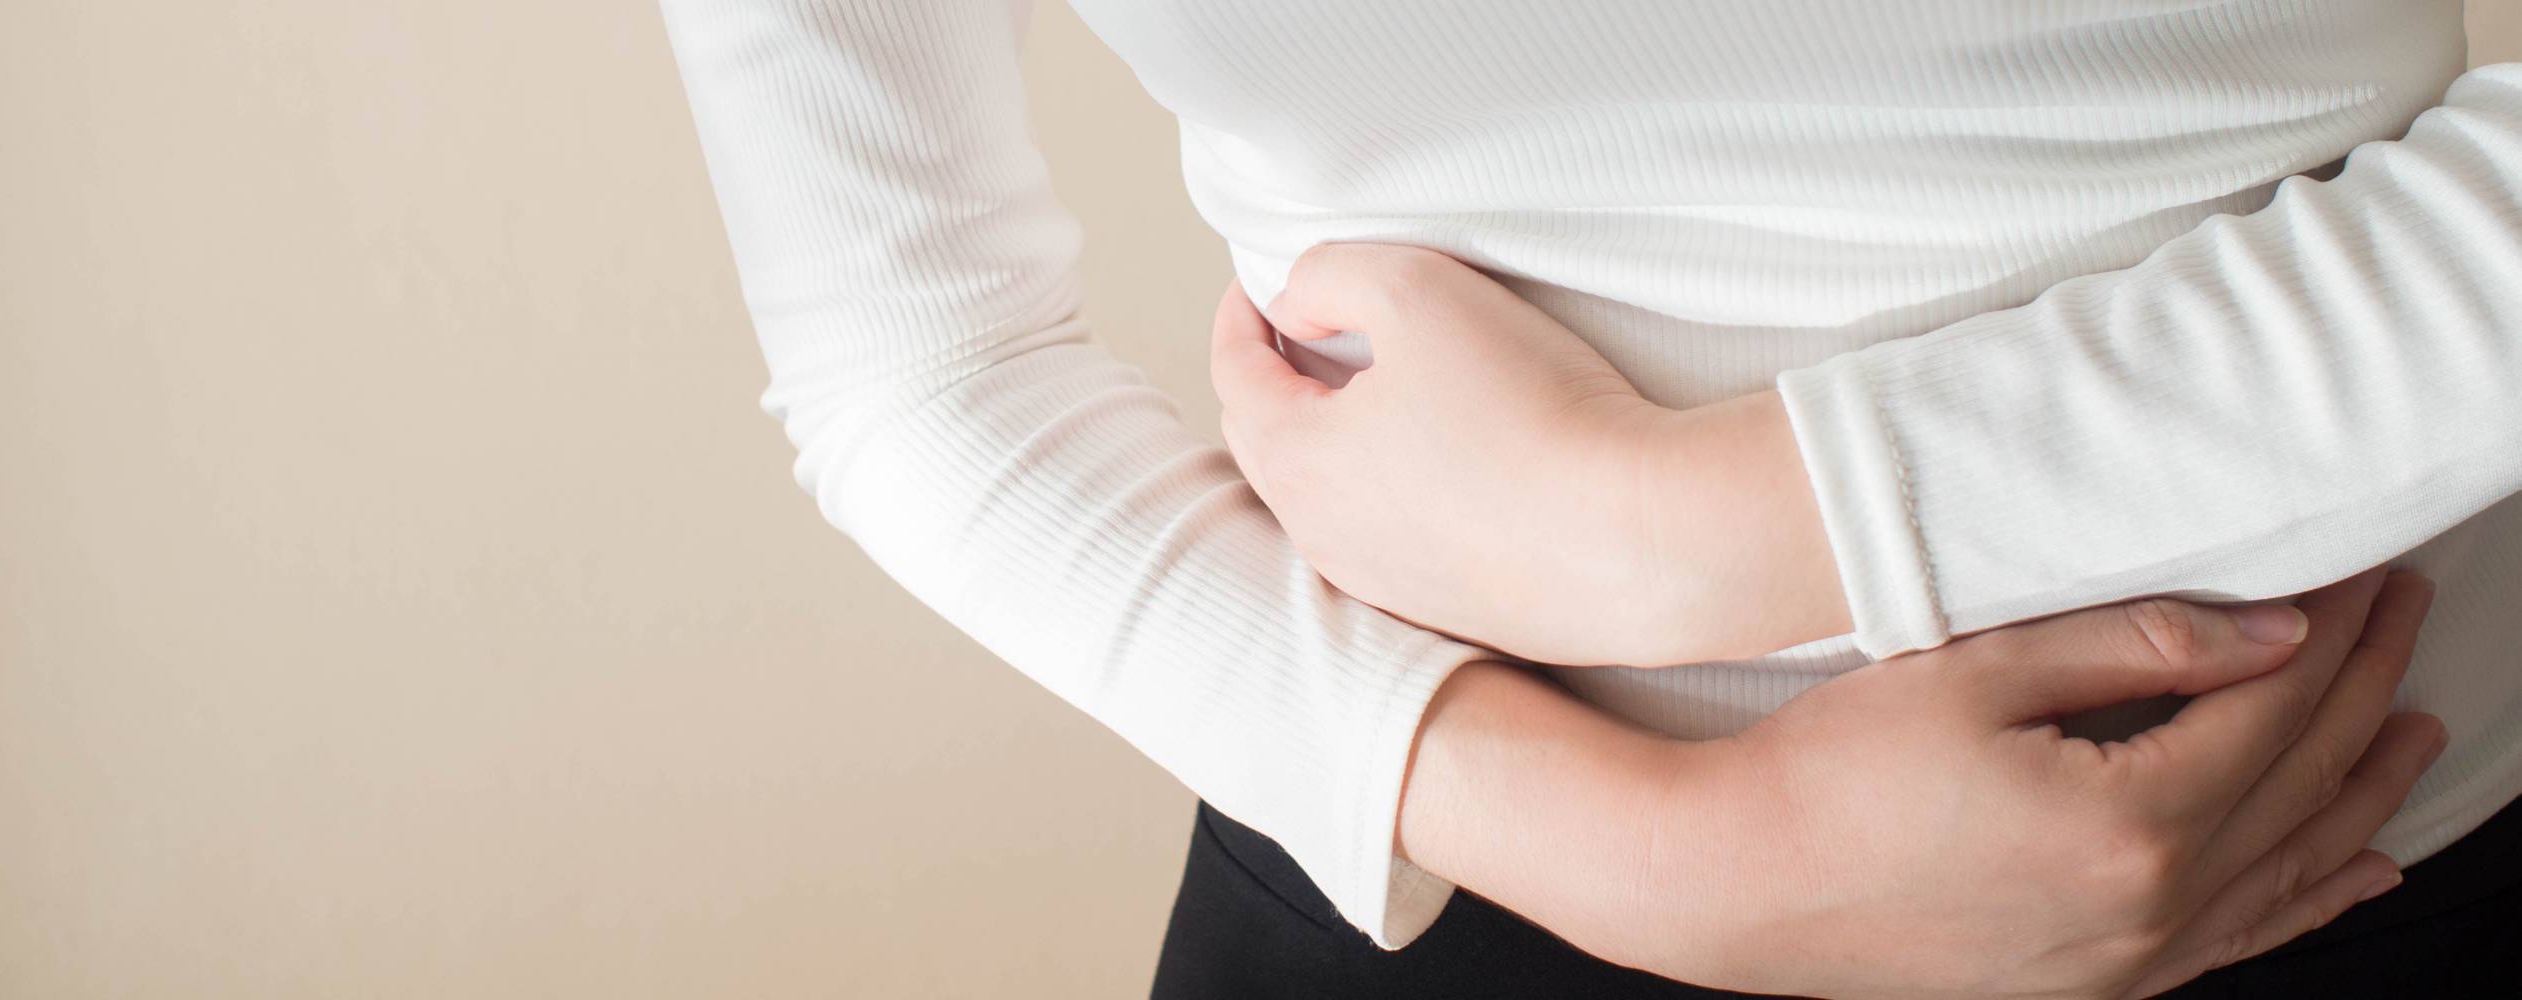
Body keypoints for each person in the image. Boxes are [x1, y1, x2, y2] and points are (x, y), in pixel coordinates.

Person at [657, 1, 2522, 995]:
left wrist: (1695, 527)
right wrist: (1672, 860)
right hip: (1451, 871)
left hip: (2350, 853)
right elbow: (913, 366)